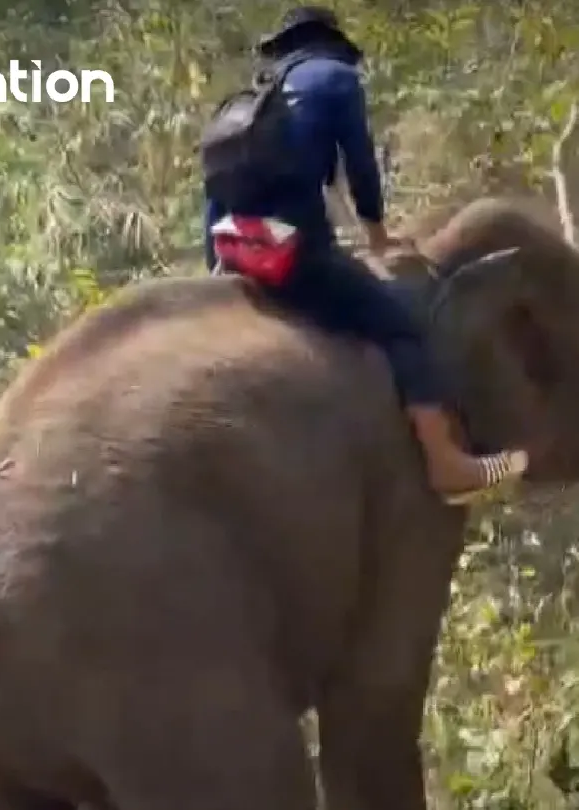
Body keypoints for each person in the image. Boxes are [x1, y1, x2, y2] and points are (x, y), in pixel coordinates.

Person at [202, 6, 528, 506]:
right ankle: (445, 461)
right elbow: (360, 166)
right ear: (331, 42)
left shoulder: (251, 103)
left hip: (237, 254)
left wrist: (217, 273)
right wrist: (377, 237)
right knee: (402, 326)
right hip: (297, 258)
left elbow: (213, 195)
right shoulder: (336, 78)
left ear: (285, 49)